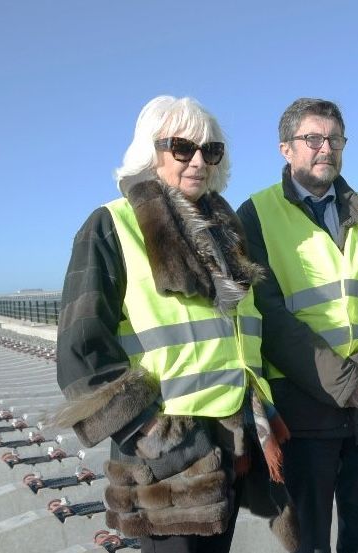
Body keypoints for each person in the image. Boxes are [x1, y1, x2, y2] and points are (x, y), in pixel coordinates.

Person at [52, 96, 298, 553]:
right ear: (152, 151)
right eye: (182, 148)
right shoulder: (112, 225)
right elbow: (81, 354)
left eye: (212, 150)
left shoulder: (221, 229)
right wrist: (156, 436)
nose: (199, 161)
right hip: (167, 460)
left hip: (230, 440)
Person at [237, 97, 358, 553]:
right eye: (312, 138)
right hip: (304, 409)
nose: (325, 148)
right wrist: (341, 380)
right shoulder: (255, 215)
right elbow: (266, 312)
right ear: (286, 149)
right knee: (309, 541)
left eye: (335, 139)